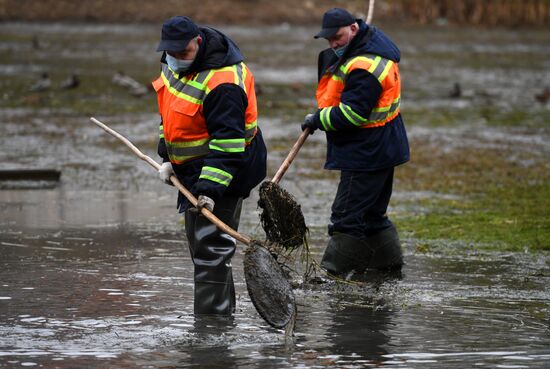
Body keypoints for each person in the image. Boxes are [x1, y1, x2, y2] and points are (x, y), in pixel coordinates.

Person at [153, 16, 267, 315]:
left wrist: (209, 189)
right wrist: (167, 155)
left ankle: (212, 328)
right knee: (201, 246)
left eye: (183, 52)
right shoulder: (171, 60)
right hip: (193, 168)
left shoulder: (224, 83)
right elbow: (170, 110)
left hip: (228, 170)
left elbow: (228, 145)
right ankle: (217, 315)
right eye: (172, 52)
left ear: (198, 42)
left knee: (211, 250)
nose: (177, 59)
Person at [301, 8, 410, 276]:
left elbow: (352, 114)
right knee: (372, 214)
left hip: (366, 151)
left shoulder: (364, 67)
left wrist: (318, 119)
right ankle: (387, 266)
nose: (333, 44)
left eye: (337, 37)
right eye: (329, 40)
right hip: (384, 145)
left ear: (353, 29)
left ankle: (334, 274)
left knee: (346, 217)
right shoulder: (369, 43)